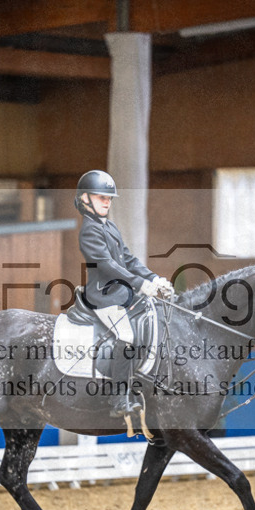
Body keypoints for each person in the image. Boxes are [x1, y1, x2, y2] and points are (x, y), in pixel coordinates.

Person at [75, 169, 173, 417]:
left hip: (122, 293)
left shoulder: (109, 226)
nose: (107, 201)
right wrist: (140, 284)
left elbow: (128, 259)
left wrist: (154, 278)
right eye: (101, 197)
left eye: (109, 198)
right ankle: (119, 399)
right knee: (127, 336)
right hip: (103, 296)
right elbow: (107, 266)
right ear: (85, 199)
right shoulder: (89, 230)